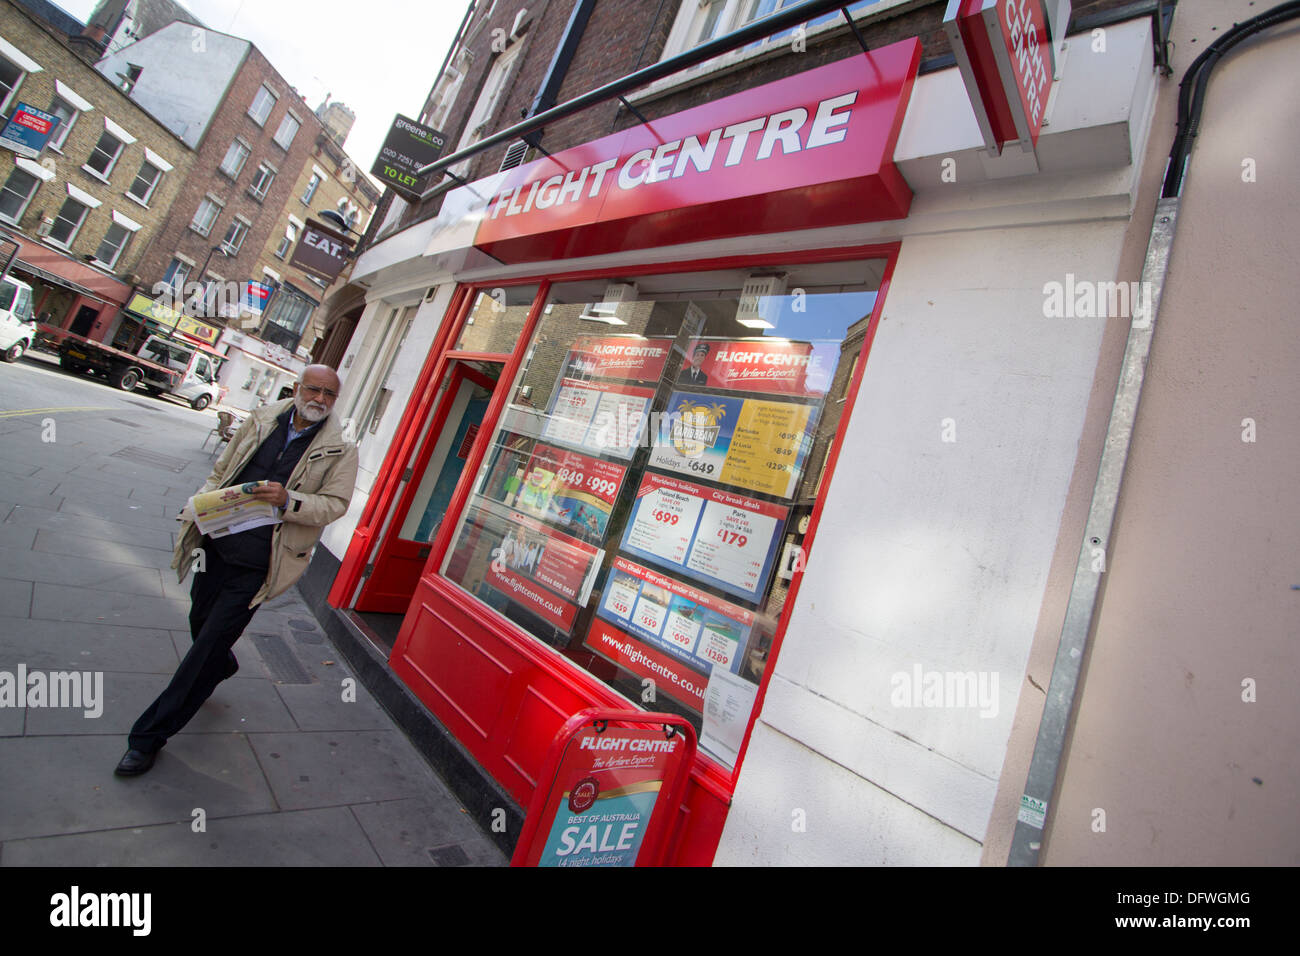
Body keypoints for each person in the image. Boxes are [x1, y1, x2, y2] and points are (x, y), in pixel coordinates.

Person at [114, 365, 358, 776]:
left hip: (261, 563)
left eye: (329, 394)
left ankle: (148, 737)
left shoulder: (340, 449)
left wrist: (289, 499)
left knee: (203, 650)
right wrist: (200, 504)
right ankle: (222, 664)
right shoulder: (262, 419)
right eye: (313, 389)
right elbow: (223, 470)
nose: (319, 399)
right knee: (200, 620)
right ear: (297, 389)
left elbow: (335, 504)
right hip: (216, 544)